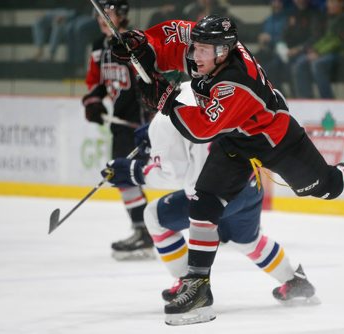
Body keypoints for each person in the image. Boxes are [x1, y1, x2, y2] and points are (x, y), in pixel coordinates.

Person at [108, 14, 344, 324]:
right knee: (204, 200)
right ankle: (198, 284)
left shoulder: (237, 82)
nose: (196, 55)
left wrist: (165, 99)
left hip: (274, 138)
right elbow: (173, 37)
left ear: (223, 52)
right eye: (197, 47)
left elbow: (200, 129)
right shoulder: (212, 49)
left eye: (204, 51)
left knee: (322, 185)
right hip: (235, 139)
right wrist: (142, 43)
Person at [103, 83, 319, 325]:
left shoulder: (162, 123)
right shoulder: (203, 87)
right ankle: (294, 280)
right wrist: (156, 147)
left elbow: (173, 174)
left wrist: (136, 171)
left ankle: (189, 285)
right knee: (248, 240)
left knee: (154, 215)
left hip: (212, 193)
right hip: (249, 182)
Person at [82, 0, 153, 261]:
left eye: (108, 12)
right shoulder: (99, 47)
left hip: (140, 124)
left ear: (121, 15)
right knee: (124, 179)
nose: (102, 17)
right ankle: (142, 231)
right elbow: (97, 82)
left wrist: (152, 118)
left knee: (125, 177)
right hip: (120, 124)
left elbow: (151, 80)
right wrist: (93, 102)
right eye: (99, 13)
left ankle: (145, 232)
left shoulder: (133, 43)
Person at [292, 0, 344, 99]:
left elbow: (338, 42)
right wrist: (314, 49)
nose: (328, 5)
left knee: (318, 64)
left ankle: (328, 100)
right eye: (328, 2)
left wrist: (319, 52)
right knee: (301, 62)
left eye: (332, 2)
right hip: (331, 52)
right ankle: (306, 99)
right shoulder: (334, 18)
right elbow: (327, 39)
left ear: (341, 4)